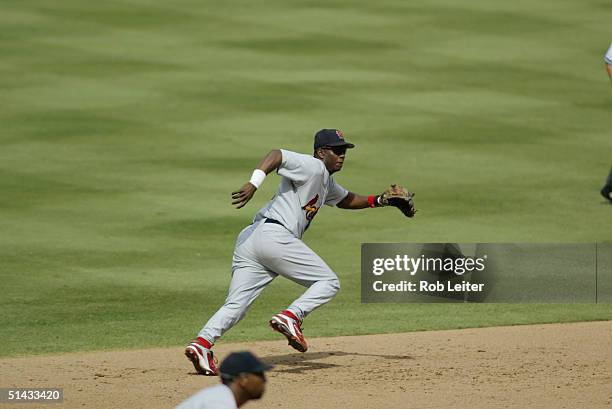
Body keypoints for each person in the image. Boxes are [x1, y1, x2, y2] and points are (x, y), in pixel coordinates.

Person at [185, 129, 415, 376]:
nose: (342, 156)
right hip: (275, 236)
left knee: (236, 304)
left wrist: (379, 200)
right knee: (328, 282)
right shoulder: (312, 167)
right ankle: (291, 317)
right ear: (320, 152)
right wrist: (254, 183)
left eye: (344, 151)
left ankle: (202, 344)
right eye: (336, 150)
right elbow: (277, 155)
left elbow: (345, 199)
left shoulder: (325, 180)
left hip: (252, 240)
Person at [176, 351, 273, 409]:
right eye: (259, 375)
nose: (264, 380)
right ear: (243, 379)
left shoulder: (220, 396)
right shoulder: (218, 403)